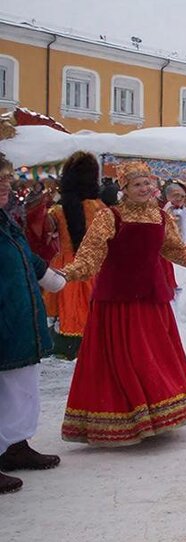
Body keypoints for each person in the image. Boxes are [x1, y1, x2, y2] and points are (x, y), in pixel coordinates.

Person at [58, 162, 186, 446]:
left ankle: (158, 416)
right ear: (124, 188)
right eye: (137, 184)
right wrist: (68, 273)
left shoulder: (161, 217)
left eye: (147, 183)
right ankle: (127, 418)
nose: (144, 188)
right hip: (118, 302)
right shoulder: (109, 217)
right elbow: (90, 256)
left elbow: (178, 253)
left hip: (151, 299)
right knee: (124, 361)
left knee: (154, 358)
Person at [0, 152, 66, 494]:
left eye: (7, 178)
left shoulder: (6, 219)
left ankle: (14, 445)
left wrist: (49, 276)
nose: (5, 185)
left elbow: (23, 254)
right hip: (4, 320)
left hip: (20, 319)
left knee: (21, 386)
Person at [42, 152, 104, 360]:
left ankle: (64, 344)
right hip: (93, 266)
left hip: (64, 266)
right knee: (90, 308)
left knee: (67, 307)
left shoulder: (57, 210)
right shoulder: (101, 209)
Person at [161, 180, 186, 295]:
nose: (180, 198)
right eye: (176, 195)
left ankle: (170, 284)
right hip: (169, 243)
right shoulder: (170, 210)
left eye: (182, 196)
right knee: (165, 265)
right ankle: (168, 285)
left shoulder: (181, 209)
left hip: (181, 242)